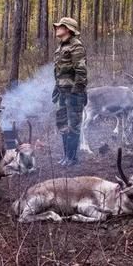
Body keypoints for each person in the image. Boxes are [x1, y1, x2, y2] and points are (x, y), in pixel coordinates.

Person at [52, 17, 87, 167]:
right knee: (62, 124)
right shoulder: (60, 47)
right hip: (62, 92)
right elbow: (59, 71)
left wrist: (77, 92)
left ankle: (72, 159)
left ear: (68, 29)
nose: (56, 28)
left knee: (74, 126)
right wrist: (56, 88)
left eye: (60, 26)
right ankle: (66, 156)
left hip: (73, 94)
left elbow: (81, 71)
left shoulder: (76, 46)